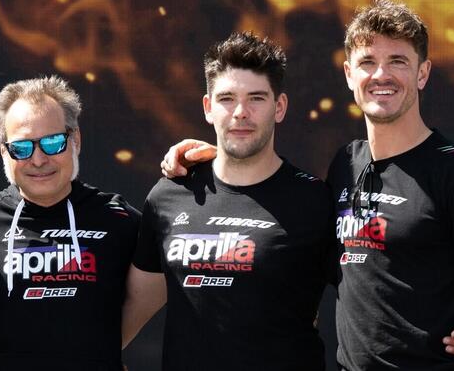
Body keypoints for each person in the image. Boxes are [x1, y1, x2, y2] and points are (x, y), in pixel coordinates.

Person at [161, 0, 454, 370]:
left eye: (397, 61)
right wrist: (224, 156)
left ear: (422, 73)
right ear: (349, 74)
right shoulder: (346, 164)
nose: (381, 75)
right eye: (367, 62)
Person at [123, 32, 337, 370]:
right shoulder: (168, 196)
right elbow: (128, 312)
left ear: (279, 107)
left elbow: (369, 299)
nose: (240, 112)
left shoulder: (315, 201)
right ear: (208, 108)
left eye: (256, 98)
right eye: (226, 98)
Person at [0, 76, 140, 370]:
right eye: (21, 148)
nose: (39, 160)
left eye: (53, 143)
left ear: (75, 140)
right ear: (3, 150)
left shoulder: (119, 220)